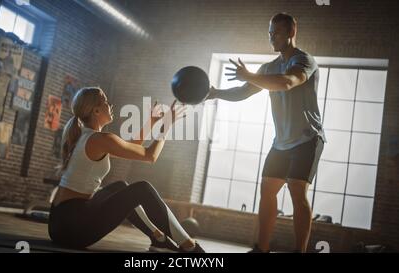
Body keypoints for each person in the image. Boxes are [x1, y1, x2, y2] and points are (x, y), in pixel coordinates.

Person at [208, 13, 325, 253]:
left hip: (307, 138)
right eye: (269, 33)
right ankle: (262, 249)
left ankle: (300, 251)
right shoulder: (269, 67)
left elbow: (287, 82)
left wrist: (251, 75)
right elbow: (242, 92)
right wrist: (215, 92)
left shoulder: (304, 61)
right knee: (267, 189)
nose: (271, 38)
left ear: (291, 33)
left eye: (276, 33)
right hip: (281, 142)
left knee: (296, 189)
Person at [48, 87, 206, 253]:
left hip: (60, 225)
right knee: (142, 189)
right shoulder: (100, 139)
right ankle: (190, 246)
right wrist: (166, 126)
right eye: (106, 103)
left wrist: (151, 123)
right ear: (96, 110)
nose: (111, 105)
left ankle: (158, 238)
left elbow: (133, 148)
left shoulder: (85, 136)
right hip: (73, 230)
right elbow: (150, 156)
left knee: (120, 187)